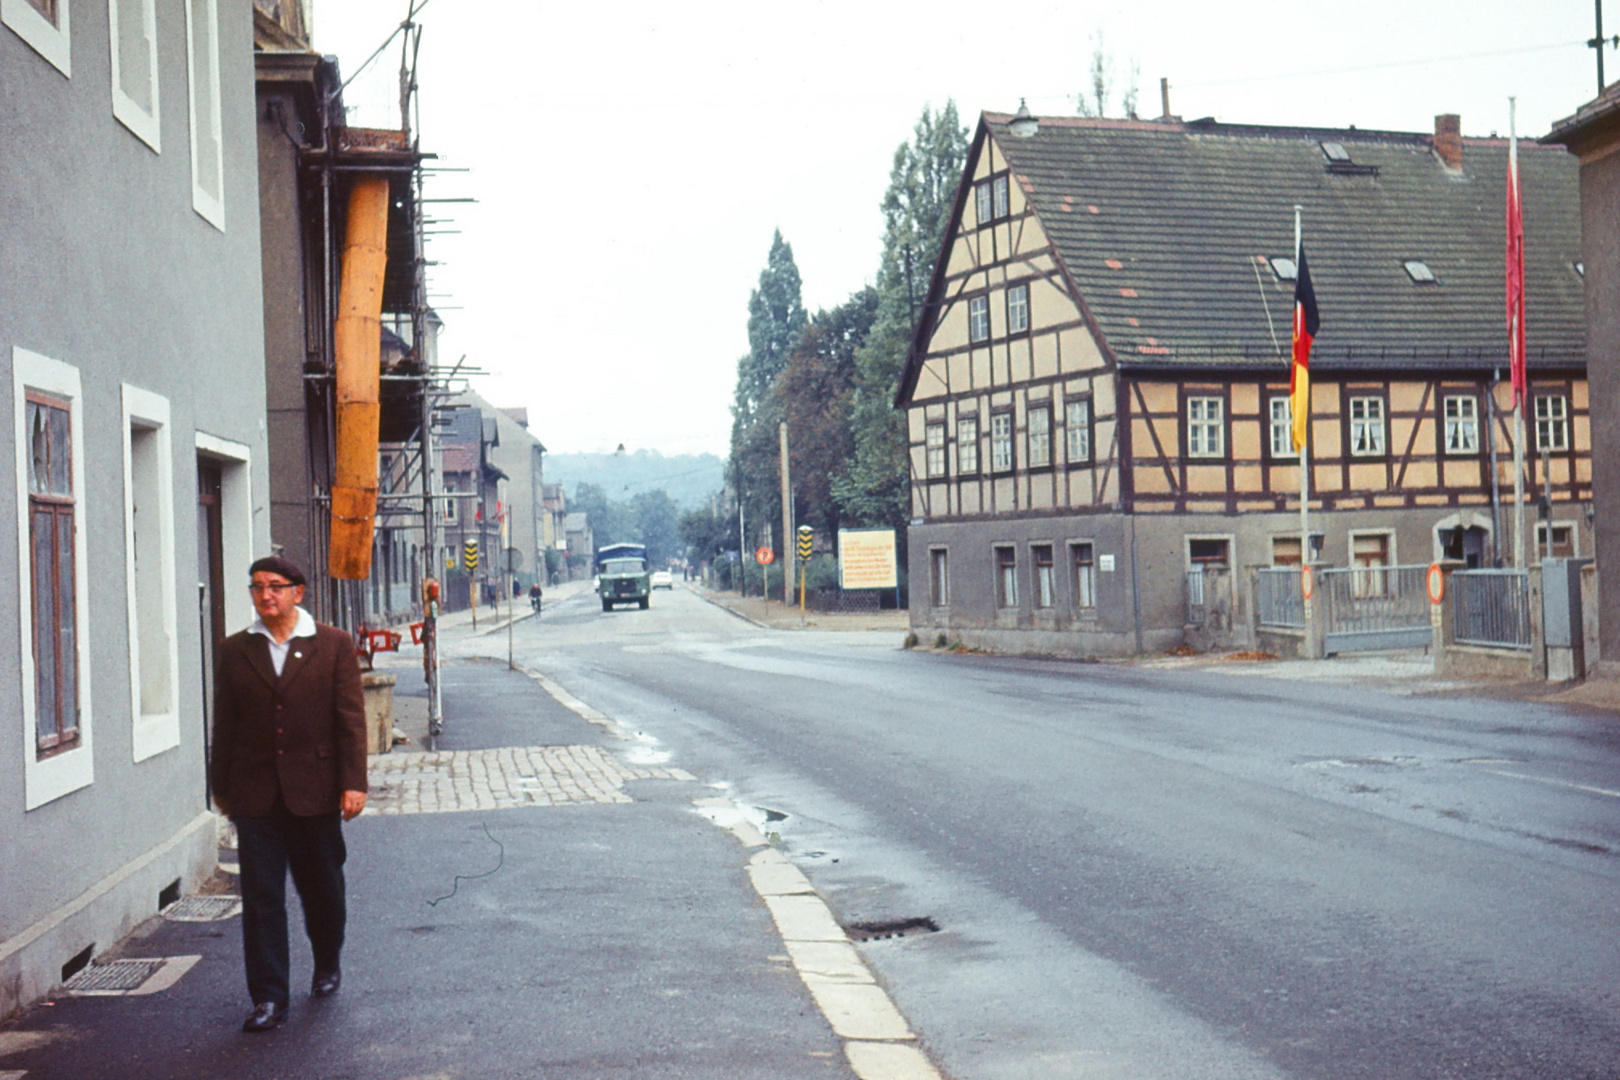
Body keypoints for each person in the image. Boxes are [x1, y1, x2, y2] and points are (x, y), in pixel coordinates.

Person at [210, 556, 368, 1033]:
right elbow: (226, 724)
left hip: (316, 791)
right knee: (261, 897)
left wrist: (353, 782)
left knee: (322, 888)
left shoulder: (333, 645)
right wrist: (222, 788)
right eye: (257, 587)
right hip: (255, 793)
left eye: (275, 587)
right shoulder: (235, 650)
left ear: (298, 592)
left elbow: (350, 720)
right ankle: (268, 998)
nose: (265, 596)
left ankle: (326, 960)